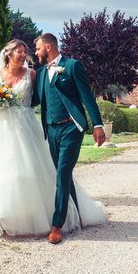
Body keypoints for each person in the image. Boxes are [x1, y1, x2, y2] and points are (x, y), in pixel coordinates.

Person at [0, 39, 105, 238]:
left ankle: (60, 221)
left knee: (51, 172)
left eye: (28, 51)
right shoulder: (0, 75)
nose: (25, 54)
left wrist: (96, 124)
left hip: (30, 128)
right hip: (3, 130)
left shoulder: (33, 74)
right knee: (2, 173)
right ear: (8, 54)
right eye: (19, 51)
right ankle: (3, 216)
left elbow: (44, 97)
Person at [32, 33, 106, 244]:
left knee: (63, 173)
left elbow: (86, 96)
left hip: (71, 128)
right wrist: (6, 99)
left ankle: (57, 225)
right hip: (51, 130)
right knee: (63, 175)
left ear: (48, 47)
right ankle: (77, 215)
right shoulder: (40, 72)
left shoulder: (72, 66)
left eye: (37, 49)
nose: (36, 53)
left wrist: (97, 125)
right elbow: (34, 101)